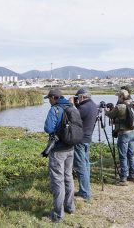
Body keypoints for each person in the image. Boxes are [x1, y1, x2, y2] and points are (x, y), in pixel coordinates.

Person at [43, 88, 75, 223]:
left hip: (58, 150)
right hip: (71, 148)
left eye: (49, 98)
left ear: (53, 98)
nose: (49, 101)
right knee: (69, 177)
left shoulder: (55, 109)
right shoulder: (71, 106)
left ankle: (57, 215)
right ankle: (70, 207)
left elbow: (48, 128)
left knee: (58, 181)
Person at [106, 89, 134, 185]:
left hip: (123, 133)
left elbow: (110, 115)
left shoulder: (120, 107)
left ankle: (123, 178)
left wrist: (106, 110)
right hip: (132, 132)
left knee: (123, 156)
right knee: (131, 155)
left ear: (122, 96)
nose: (118, 98)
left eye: (118, 96)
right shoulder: (133, 104)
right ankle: (132, 175)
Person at [72, 88, 97, 202]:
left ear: (82, 97)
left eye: (78, 98)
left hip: (80, 140)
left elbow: (72, 116)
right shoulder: (93, 105)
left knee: (80, 166)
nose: (77, 100)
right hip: (87, 138)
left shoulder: (83, 108)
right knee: (86, 164)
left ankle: (85, 193)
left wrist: (72, 105)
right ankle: (85, 190)